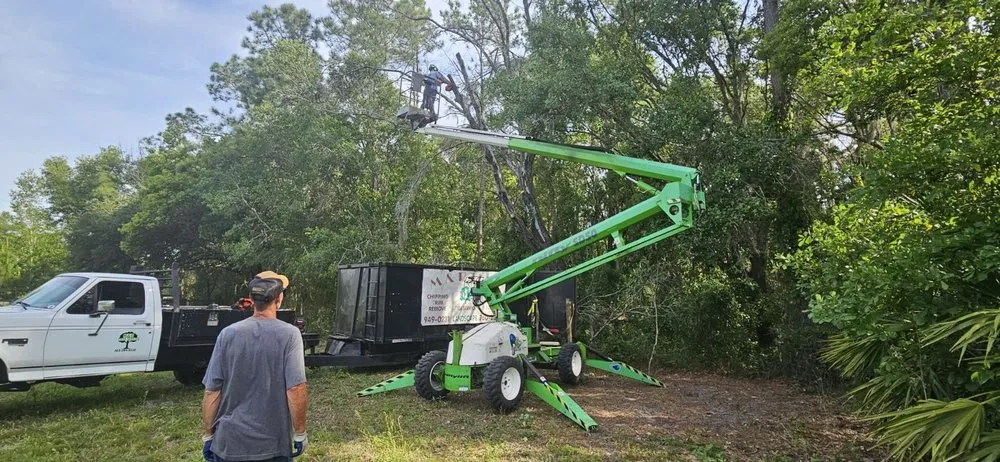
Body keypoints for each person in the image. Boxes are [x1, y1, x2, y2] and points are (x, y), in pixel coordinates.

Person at [201, 271, 308, 462]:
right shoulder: (289, 335)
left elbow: (212, 391)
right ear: (279, 299)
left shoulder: (227, 334)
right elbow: (296, 388)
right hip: (272, 446)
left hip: (228, 445)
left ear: (251, 299)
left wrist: (208, 435)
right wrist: (300, 433)